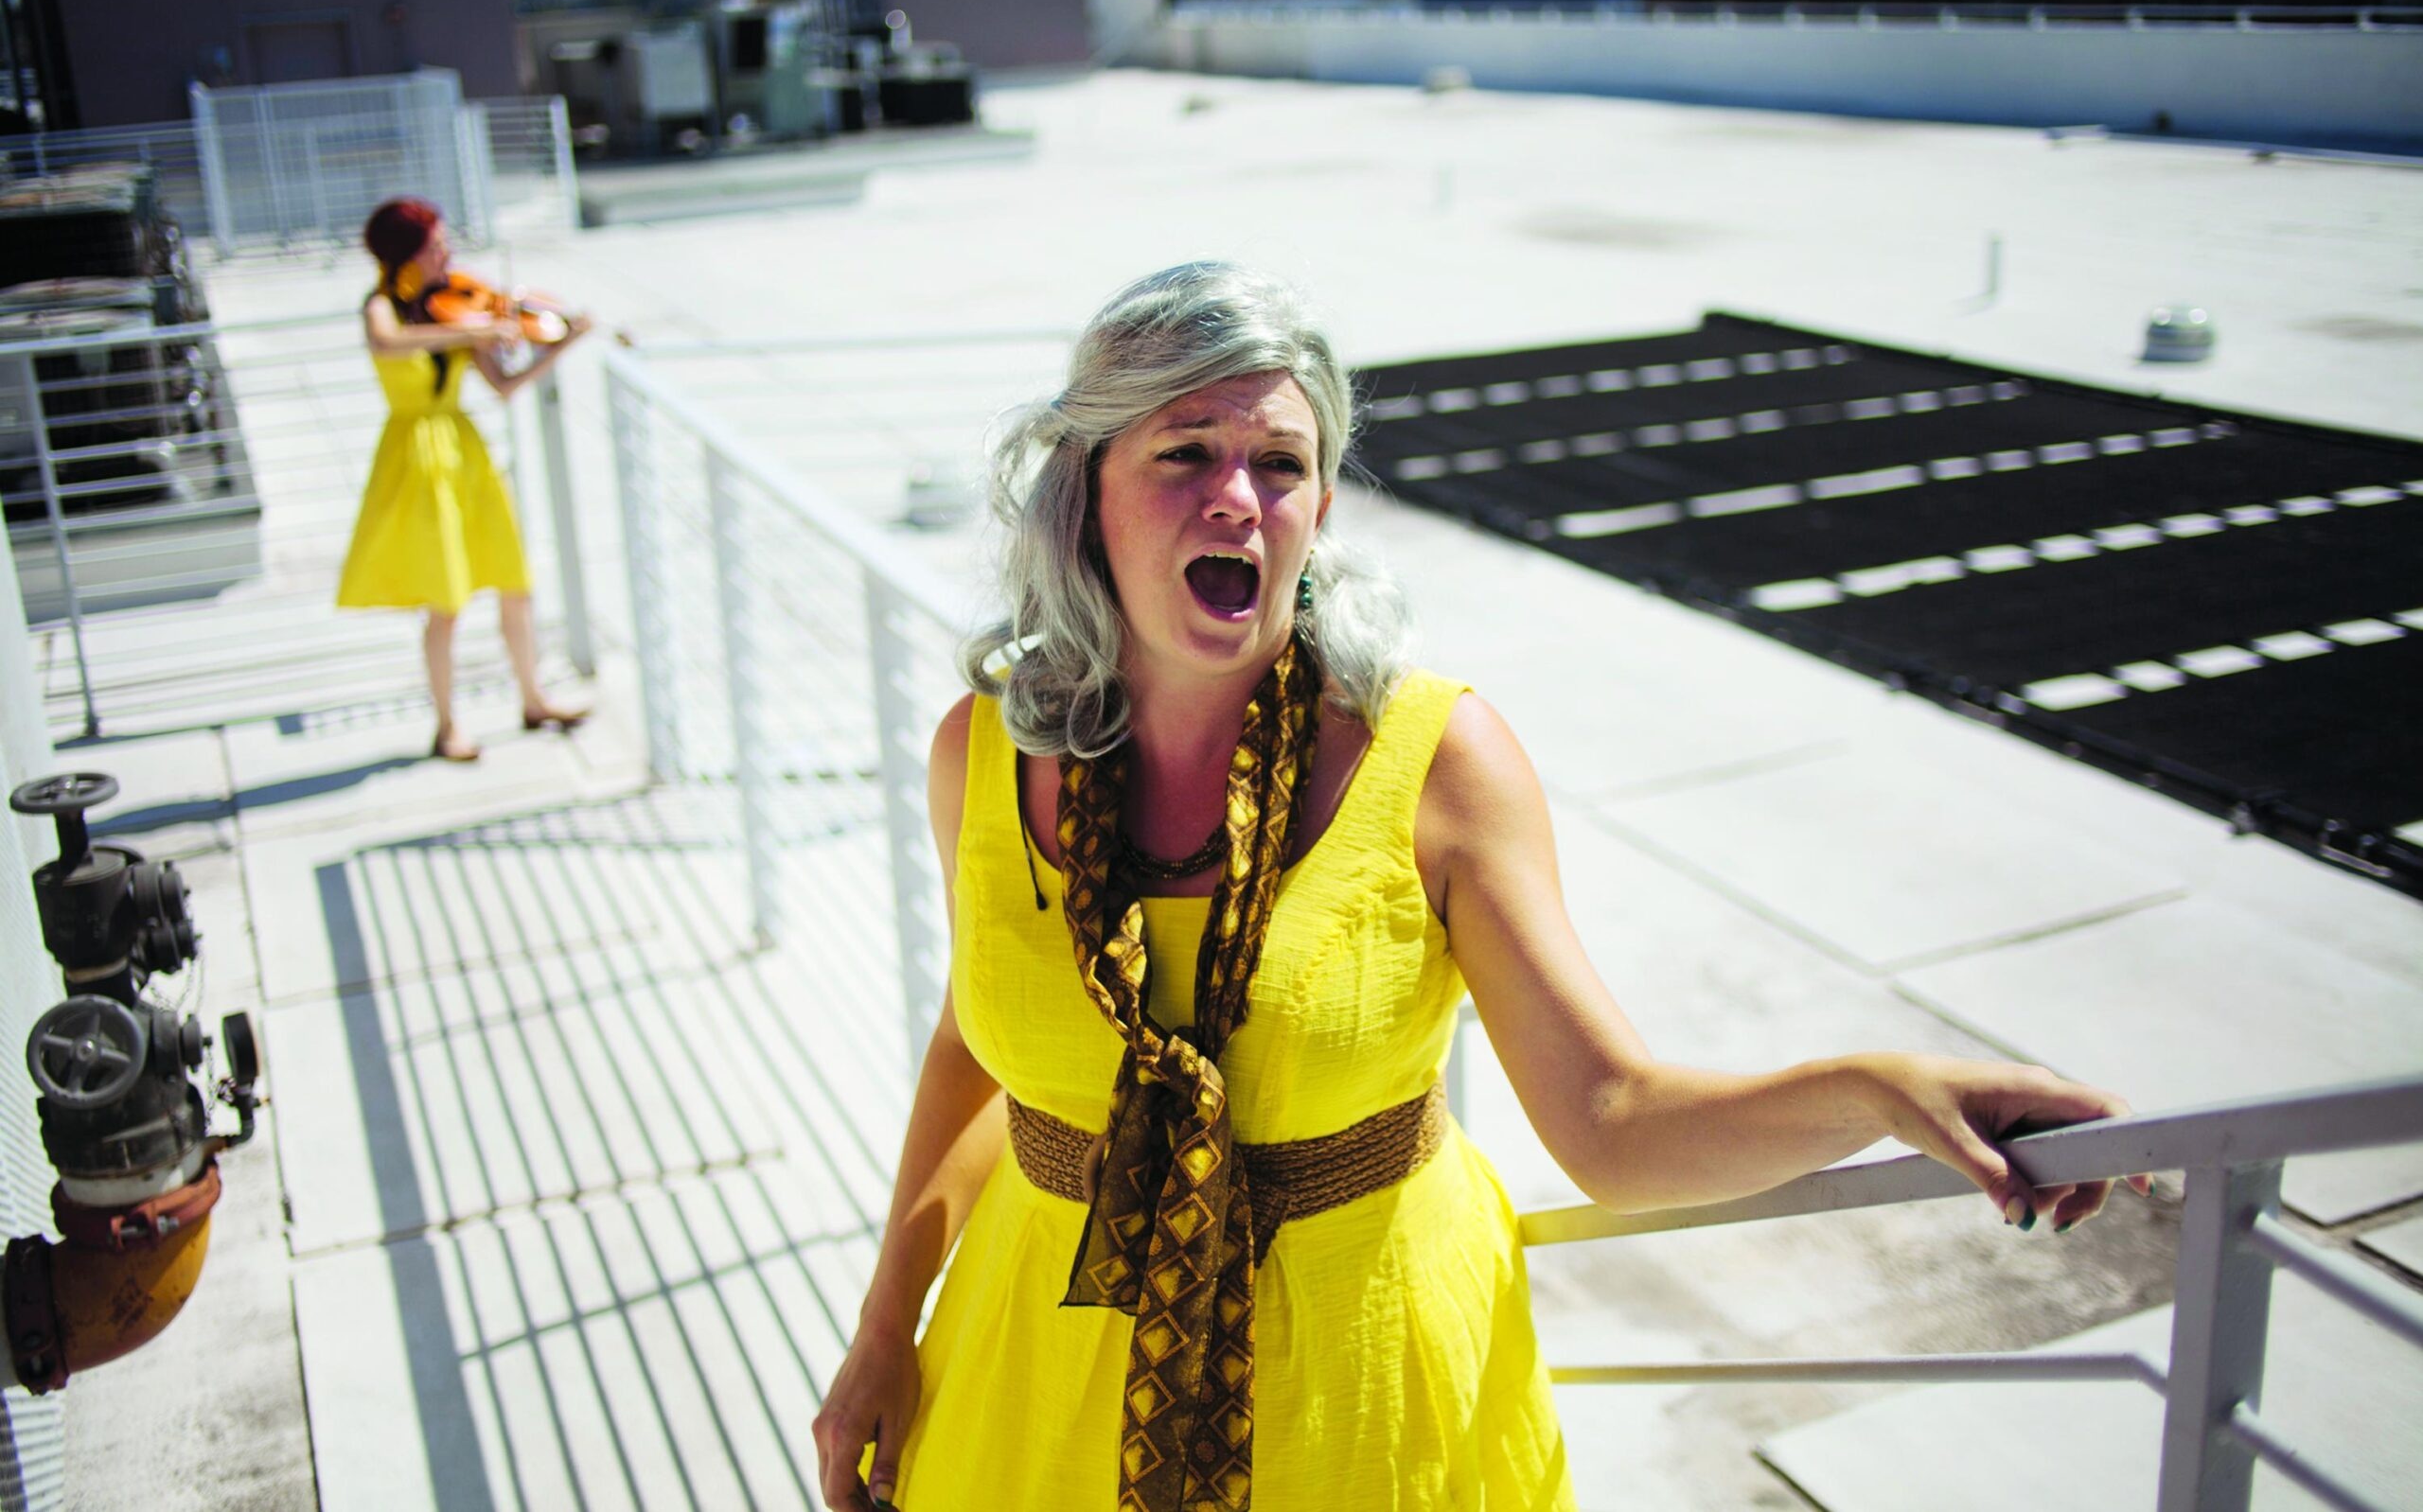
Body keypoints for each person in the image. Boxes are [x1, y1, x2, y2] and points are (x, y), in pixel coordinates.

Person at [811, 263, 2148, 1511]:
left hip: (1373, 1387)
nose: (1238, 496)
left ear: (1320, 513)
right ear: (1086, 488)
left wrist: (1882, 1090)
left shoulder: (1436, 758)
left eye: (1281, 464)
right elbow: (982, 1050)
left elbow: (1614, 1119)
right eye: (1185, 452)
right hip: (1032, 1376)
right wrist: (885, 1329)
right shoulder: (983, 755)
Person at [337, 197, 590, 761]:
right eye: (435, 245)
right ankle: (448, 725)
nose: (446, 253)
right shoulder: (383, 306)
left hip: (465, 452)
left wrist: (563, 341)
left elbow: (504, 386)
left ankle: (534, 698)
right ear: (405, 253)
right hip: (417, 457)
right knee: (445, 602)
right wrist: (465, 331)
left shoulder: (452, 306)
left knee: (514, 584)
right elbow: (386, 342)